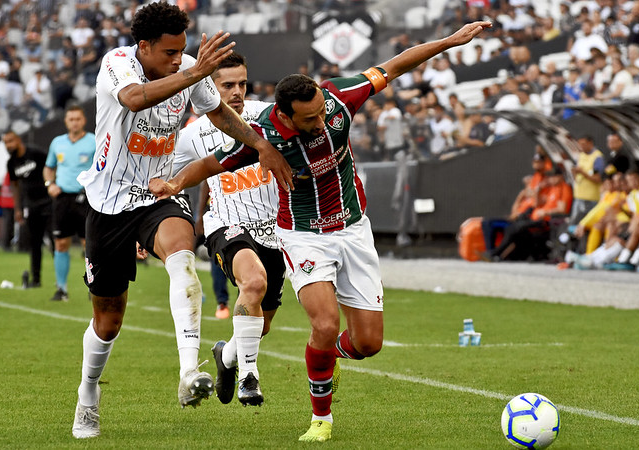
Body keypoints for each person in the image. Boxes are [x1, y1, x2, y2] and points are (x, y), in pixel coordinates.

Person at [149, 20, 492, 442]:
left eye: (321, 113)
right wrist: (174, 184)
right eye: (309, 119)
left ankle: (327, 357)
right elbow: (209, 164)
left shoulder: (338, 100)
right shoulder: (264, 135)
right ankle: (321, 419)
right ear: (286, 115)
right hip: (303, 235)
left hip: (353, 229)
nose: (320, 122)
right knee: (325, 325)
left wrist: (450, 41)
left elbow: (396, 64)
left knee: (368, 344)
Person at [69, 2, 291, 440]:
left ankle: (189, 372)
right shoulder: (117, 64)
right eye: (170, 52)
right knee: (109, 320)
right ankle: (87, 394)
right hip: (109, 202)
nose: (178, 59)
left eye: (182, 51)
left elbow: (218, 113)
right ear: (144, 46)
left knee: (183, 254)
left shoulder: (189, 68)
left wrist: (259, 144)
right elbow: (135, 98)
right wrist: (194, 73)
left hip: (158, 192)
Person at [172, 51, 284, 407]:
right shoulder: (192, 135)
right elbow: (159, 175)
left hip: (276, 229)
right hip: (227, 224)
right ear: (209, 87)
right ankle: (249, 377)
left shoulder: (269, 116)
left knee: (262, 323)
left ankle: (228, 356)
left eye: (242, 84)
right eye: (227, 85)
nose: (237, 92)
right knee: (253, 282)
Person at [43, 105, 95, 301]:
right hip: (62, 198)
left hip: (86, 198)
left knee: (89, 244)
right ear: (66, 121)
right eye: (71, 119)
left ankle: (94, 287)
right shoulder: (57, 143)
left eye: (78, 119)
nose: (74, 122)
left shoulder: (94, 141)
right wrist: (50, 184)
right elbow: (48, 167)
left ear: (84, 121)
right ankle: (61, 289)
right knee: (61, 243)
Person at [3, 129, 51, 289]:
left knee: (56, 241)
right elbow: (15, 185)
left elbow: (52, 167)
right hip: (31, 204)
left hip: (48, 201)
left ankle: (61, 282)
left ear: (18, 140)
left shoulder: (36, 153)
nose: (8, 145)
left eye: (10, 141)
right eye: (5, 143)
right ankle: (36, 279)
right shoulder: (11, 163)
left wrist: (52, 185)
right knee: (35, 243)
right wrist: (17, 208)